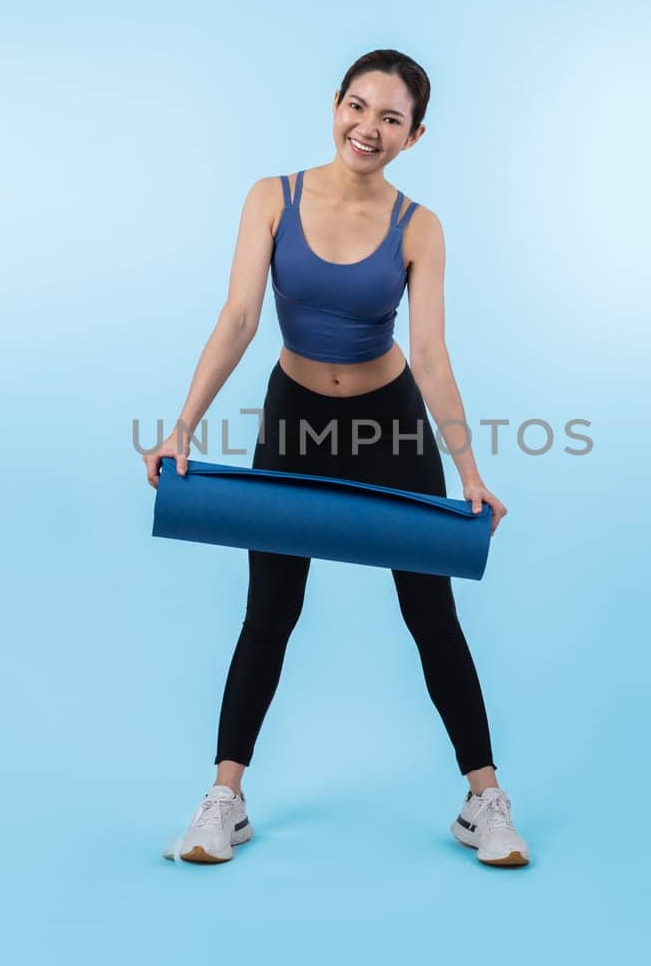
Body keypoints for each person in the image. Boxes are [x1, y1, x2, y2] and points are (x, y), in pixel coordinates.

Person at [143, 49, 529, 868]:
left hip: (389, 423)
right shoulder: (271, 198)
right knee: (270, 611)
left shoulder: (420, 225)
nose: (369, 127)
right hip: (296, 417)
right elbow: (242, 315)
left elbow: (430, 353)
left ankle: (484, 799)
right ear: (334, 106)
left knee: (431, 613)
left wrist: (470, 474)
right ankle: (225, 798)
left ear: (414, 135)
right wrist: (183, 426)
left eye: (391, 117)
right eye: (359, 106)